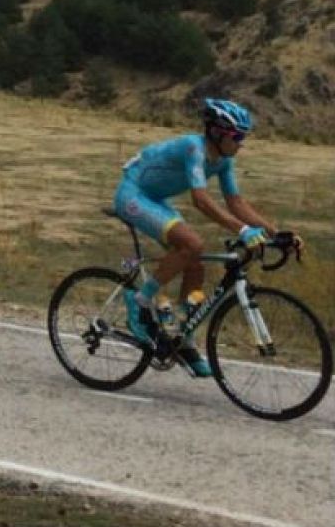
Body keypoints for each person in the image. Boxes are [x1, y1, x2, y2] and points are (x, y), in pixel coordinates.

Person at [115, 99, 302, 377]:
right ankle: (139, 301)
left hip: (156, 200)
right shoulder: (194, 148)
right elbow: (200, 200)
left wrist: (275, 233)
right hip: (133, 195)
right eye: (237, 137)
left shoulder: (224, 161)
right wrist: (242, 230)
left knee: (196, 261)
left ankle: (183, 337)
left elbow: (236, 202)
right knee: (193, 244)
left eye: (244, 137)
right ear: (217, 133)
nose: (241, 144)